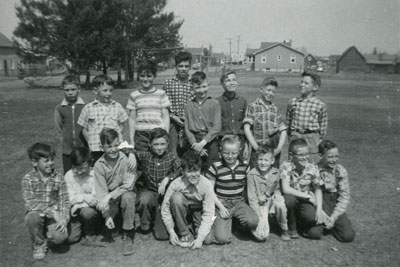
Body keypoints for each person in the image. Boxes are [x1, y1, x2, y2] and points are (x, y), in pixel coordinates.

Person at [205, 135, 258, 244]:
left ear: (239, 151)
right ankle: (213, 221)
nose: (230, 156)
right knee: (222, 239)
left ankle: (236, 225)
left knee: (253, 221)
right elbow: (209, 191)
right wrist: (220, 206)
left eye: (234, 153)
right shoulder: (215, 167)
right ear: (221, 151)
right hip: (221, 203)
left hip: (238, 202)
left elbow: (253, 184)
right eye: (226, 153)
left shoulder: (245, 167)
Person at [22, 143, 70, 260]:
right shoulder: (28, 179)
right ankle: (39, 244)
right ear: (34, 162)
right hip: (38, 213)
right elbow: (30, 202)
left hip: (54, 216)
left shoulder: (58, 178)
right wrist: (52, 212)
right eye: (46, 161)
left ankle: (47, 232)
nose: (50, 163)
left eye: (52, 160)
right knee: (32, 217)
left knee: (60, 238)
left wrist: (63, 220)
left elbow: (64, 201)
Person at [94, 128, 137, 256]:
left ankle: (128, 233)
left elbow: (128, 185)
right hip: (110, 199)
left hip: (124, 194)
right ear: (102, 147)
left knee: (128, 197)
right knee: (109, 230)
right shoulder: (98, 165)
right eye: (109, 146)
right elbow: (101, 193)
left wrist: (108, 196)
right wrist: (107, 215)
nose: (113, 149)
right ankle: (113, 220)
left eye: (115, 145)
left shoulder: (126, 159)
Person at [161, 150, 215, 250]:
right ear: (183, 171)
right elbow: (165, 208)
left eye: (196, 170)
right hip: (183, 211)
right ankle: (183, 231)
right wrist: (171, 232)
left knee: (208, 239)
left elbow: (209, 212)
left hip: (199, 211)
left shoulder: (206, 184)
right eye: (189, 171)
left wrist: (200, 238)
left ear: (201, 170)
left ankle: (192, 227)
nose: (193, 174)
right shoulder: (176, 183)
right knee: (176, 197)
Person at [134, 128, 181, 239]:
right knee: (144, 198)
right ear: (150, 144)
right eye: (156, 144)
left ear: (168, 143)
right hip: (151, 193)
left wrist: (167, 179)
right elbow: (129, 151)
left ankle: (166, 220)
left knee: (162, 236)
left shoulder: (172, 157)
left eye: (162, 144)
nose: (159, 148)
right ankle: (145, 227)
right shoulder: (145, 156)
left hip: (166, 196)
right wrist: (131, 155)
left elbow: (180, 171)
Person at [305, 140, 355, 242]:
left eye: (336, 156)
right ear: (320, 155)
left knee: (347, 236)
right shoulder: (312, 169)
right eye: (330, 157)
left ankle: (333, 224)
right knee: (314, 233)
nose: (334, 160)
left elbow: (344, 196)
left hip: (334, 204)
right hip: (319, 204)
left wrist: (333, 217)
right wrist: (321, 213)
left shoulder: (340, 171)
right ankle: (320, 225)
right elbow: (309, 193)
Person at [77, 75, 129, 164]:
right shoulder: (88, 108)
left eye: (111, 90)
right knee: (97, 171)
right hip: (96, 149)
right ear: (95, 91)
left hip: (113, 149)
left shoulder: (117, 106)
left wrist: (116, 139)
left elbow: (122, 125)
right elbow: (84, 129)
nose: (108, 93)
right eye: (105, 90)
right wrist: (90, 143)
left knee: (113, 170)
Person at [280, 139, 324, 239]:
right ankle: (291, 227)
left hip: (304, 201)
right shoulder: (286, 165)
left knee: (311, 218)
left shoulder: (312, 167)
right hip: (292, 198)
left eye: (307, 154)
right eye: (300, 155)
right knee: (289, 200)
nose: (304, 158)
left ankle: (301, 224)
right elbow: (286, 189)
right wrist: (307, 196)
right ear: (291, 155)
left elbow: (318, 189)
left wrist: (319, 209)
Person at [247, 146, 290, 241]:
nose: (263, 163)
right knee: (262, 236)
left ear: (272, 160)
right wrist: (260, 216)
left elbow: (277, 188)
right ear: (256, 160)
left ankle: (284, 228)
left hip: (271, 201)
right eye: (260, 159)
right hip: (260, 205)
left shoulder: (276, 172)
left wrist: (278, 194)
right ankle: (254, 226)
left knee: (280, 203)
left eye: (266, 160)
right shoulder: (251, 174)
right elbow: (252, 198)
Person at [127, 60, 170, 151]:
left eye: (149, 76)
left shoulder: (161, 94)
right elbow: (132, 119)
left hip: (158, 134)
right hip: (140, 135)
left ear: (154, 76)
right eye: (142, 76)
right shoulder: (134, 95)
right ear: (138, 76)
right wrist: (132, 139)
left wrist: (165, 135)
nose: (145, 79)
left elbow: (166, 117)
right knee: (141, 161)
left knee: (157, 161)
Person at [244, 77, 287, 168]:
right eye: (268, 90)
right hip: (258, 149)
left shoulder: (274, 109)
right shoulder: (252, 107)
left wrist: (278, 149)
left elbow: (283, 130)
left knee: (272, 174)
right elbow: (247, 129)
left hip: (272, 149)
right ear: (261, 90)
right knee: (255, 173)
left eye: (273, 91)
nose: (270, 93)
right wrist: (255, 147)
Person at [286, 72, 328, 163]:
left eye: (306, 83)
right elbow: (288, 122)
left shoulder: (320, 105)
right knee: (293, 163)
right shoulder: (293, 102)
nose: (302, 85)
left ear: (315, 87)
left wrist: (317, 141)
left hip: (311, 138)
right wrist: (292, 136)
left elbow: (323, 129)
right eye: (301, 82)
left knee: (311, 164)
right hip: (296, 136)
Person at [64, 147, 102, 245]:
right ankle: (80, 226)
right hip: (74, 213)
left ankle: (90, 232)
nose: (79, 172)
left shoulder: (95, 175)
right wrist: (85, 197)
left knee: (88, 212)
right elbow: (69, 198)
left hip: (89, 209)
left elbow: (95, 200)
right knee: (71, 239)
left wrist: (77, 205)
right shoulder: (68, 176)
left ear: (90, 163)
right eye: (76, 168)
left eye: (83, 169)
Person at [184, 71, 221, 172]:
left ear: (208, 85)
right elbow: (187, 128)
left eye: (204, 86)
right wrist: (196, 145)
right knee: (194, 168)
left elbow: (216, 127)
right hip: (194, 142)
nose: (202, 90)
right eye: (198, 87)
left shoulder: (214, 103)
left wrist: (202, 143)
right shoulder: (189, 105)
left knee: (212, 169)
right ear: (192, 88)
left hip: (210, 140)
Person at [163, 51, 194, 157]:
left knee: (190, 152)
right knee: (173, 151)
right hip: (173, 123)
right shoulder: (168, 83)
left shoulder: (194, 83)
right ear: (175, 66)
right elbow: (164, 106)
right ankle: (175, 172)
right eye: (180, 66)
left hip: (190, 123)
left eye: (186, 66)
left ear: (190, 67)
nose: (183, 69)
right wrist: (173, 117)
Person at [54, 74, 86, 174]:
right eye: (67, 90)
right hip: (67, 150)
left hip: (83, 148)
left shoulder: (85, 107)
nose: (70, 93)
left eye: (73, 89)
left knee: (84, 173)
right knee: (68, 175)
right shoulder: (60, 108)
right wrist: (63, 142)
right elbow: (58, 128)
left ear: (79, 89)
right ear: (63, 90)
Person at [216, 71, 248, 162]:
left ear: (237, 82)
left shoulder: (242, 101)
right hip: (223, 143)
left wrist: (245, 145)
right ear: (222, 83)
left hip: (240, 143)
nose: (231, 83)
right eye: (228, 80)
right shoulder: (217, 102)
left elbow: (246, 126)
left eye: (234, 80)